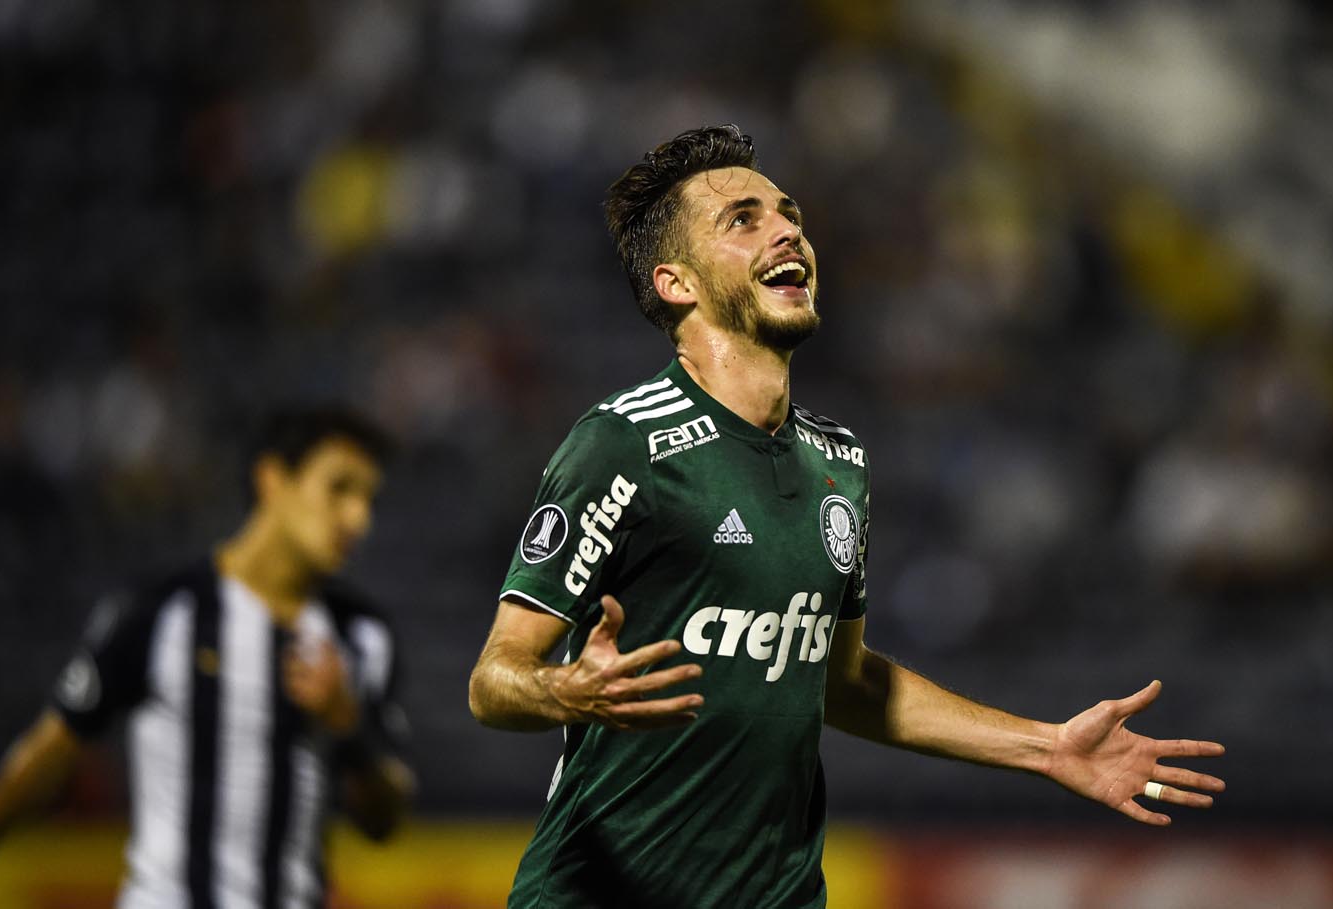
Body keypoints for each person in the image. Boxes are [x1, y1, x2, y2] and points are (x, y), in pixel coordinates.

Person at [467, 125, 1226, 908]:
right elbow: (495, 678)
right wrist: (563, 691)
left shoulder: (840, 460)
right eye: (743, 220)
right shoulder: (624, 443)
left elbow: (845, 679)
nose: (787, 230)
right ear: (677, 283)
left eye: (788, 213)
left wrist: (1047, 746)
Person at [0, 407, 414, 909]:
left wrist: (350, 728)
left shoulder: (362, 636)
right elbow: (50, 753)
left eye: (368, 500)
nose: (357, 519)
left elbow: (384, 823)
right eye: (339, 488)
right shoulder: (161, 611)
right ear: (273, 479)